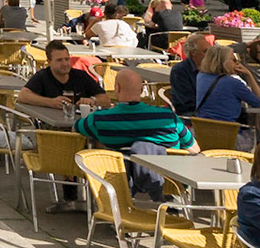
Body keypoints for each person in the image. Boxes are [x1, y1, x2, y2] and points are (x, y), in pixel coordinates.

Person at [76, 68, 197, 201]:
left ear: (117, 88)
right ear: (141, 89)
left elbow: (76, 129)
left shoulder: (99, 120)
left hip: (120, 183)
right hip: (171, 182)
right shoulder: (168, 118)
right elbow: (194, 149)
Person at [19, 39, 110, 113]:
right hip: (51, 127)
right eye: (59, 60)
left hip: (80, 124)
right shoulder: (43, 76)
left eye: (67, 59)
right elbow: (22, 95)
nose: (65, 64)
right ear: (49, 62)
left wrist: (92, 100)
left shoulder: (81, 76)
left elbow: (106, 100)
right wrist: (51, 102)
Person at [194, 43, 260, 141]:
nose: (237, 63)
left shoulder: (201, 77)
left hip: (202, 134)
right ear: (224, 62)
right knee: (258, 136)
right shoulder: (234, 83)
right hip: (228, 137)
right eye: (234, 60)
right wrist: (249, 74)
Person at [169, 26, 217, 114]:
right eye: (205, 51)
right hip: (189, 112)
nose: (209, 54)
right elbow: (187, 102)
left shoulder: (212, 67)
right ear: (193, 53)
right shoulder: (180, 70)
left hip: (210, 109)